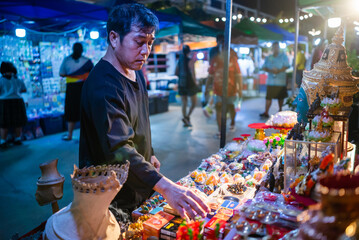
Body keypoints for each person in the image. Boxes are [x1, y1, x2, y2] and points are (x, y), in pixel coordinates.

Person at [79, 3, 209, 221]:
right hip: (111, 196)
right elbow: (118, 148)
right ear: (113, 38)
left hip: (138, 181)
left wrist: (149, 154)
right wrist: (167, 187)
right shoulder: (103, 86)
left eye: (150, 43)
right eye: (139, 41)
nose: (146, 51)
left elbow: (137, 124)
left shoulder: (134, 71)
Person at [206, 35, 242, 136]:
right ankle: (220, 130)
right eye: (220, 45)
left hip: (232, 89)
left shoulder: (233, 58)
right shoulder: (214, 58)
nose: (222, 47)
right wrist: (206, 88)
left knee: (231, 108)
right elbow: (210, 75)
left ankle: (232, 122)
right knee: (218, 109)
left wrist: (240, 89)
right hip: (217, 89)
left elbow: (238, 75)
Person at [59, 42, 93, 141]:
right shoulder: (87, 61)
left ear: (72, 49)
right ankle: (87, 136)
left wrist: (72, 76)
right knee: (85, 110)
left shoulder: (67, 60)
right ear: (82, 50)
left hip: (71, 88)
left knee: (71, 111)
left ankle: (69, 135)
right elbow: (93, 73)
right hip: (84, 87)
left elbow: (61, 73)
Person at [0, 62, 27, 148]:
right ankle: (18, 139)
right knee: (18, 122)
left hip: (4, 102)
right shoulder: (18, 80)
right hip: (18, 101)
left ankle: (3, 141)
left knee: (4, 123)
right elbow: (24, 90)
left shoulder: (1, 80)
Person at [260, 42, 290, 118]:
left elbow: (287, 66)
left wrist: (278, 71)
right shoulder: (269, 57)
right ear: (272, 48)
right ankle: (266, 112)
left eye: (277, 47)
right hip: (271, 81)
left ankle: (280, 110)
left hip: (280, 82)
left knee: (280, 97)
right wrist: (271, 70)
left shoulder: (283, 56)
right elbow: (264, 67)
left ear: (279, 48)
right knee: (268, 97)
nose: (276, 49)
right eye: (274, 47)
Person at [175, 45, 198, 127]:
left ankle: (185, 118)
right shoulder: (190, 60)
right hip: (190, 83)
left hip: (181, 83)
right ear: (189, 52)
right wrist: (195, 83)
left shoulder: (179, 61)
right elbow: (193, 74)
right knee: (194, 103)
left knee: (184, 102)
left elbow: (176, 72)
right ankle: (187, 116)